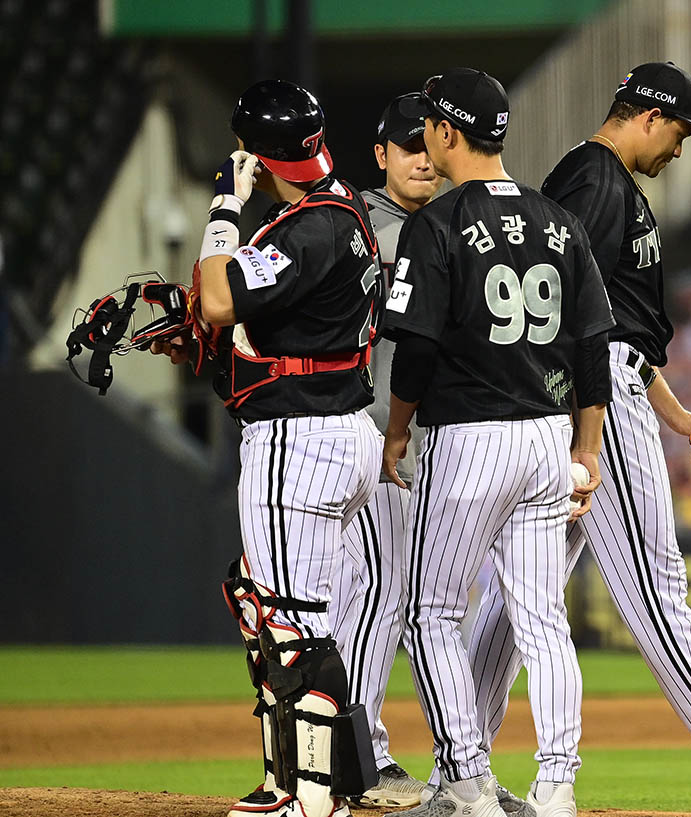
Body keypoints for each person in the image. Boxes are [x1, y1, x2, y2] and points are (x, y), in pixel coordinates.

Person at [455, 62, 691, 817]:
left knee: (516, 594)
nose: (681, 149)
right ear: (650, 116)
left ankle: (461, 772)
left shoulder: (601, 180)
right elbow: (568, 315)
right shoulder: (596, 183)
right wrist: (584, 431)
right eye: (681, 132)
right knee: (656, 591)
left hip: (595, 393)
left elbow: (614, 325)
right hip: (595, 402)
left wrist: (682, 418)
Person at [379, 67, 614, 817]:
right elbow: (594, 349)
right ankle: (558, 783)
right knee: (543, 620)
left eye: (429, 126)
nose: (426, 138)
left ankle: (466, 779)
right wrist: (588, 449)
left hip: (470, 439)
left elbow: (415, 350)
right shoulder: (560, 221)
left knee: (430, 612)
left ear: (447, 132)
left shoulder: (437, 223)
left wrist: (396, 430)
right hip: (549, 439)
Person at [156, 79, 384, 817]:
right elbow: (272, 324)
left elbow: (221, 298)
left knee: (292, 625)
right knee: (268, 611)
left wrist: (225, 206)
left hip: (300, 439)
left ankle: (314, 800)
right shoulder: (341, 206)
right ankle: (286, 781)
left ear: (254, 152)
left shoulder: (308, 228)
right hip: (339, 429)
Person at [328, 91, 439, 810]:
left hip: (413, 439)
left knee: (369, 596)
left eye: (430, 144)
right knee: (377, 589)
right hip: (367, 432)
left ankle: (336, 748)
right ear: (381, 155)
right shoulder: (356, 224)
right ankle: (357, 754)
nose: (421, 159)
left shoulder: (449, 225)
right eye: (407, 147)